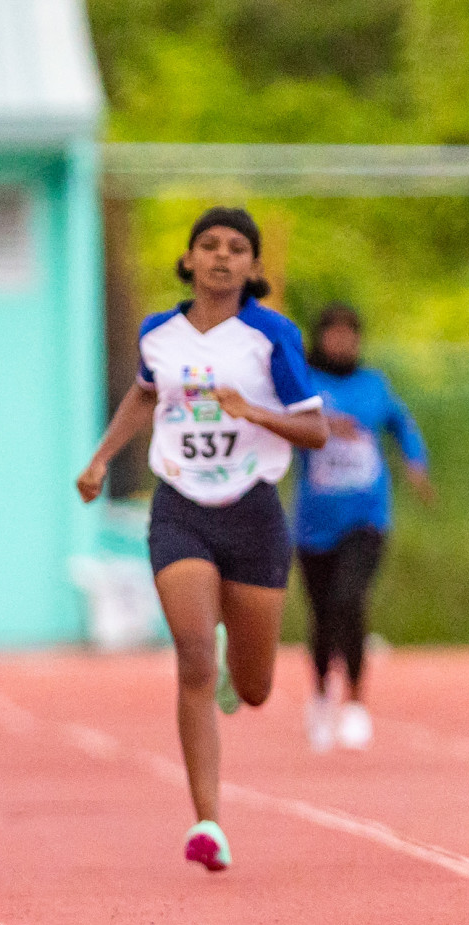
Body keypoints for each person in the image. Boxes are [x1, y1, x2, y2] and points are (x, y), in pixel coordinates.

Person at [77, 207, 327, 872]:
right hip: (180, 506)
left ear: (251, 266)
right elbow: (143, 396)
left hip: (251, 512)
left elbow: (314, 432)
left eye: (235, 248)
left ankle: (228, 676)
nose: (220, 257)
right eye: (208, 246)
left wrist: (254, 413)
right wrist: (101, 459)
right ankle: (207, 822)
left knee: (252, 688)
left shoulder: (270, 337)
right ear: (187, 260)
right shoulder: (158, 334)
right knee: (191, 653)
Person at [296, 303, 432, 752]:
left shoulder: (374, 386)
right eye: (332, 335)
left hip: (367, 516)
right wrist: (318, 425)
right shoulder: (305, 385)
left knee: (349, 599)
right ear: (320, 339)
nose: (341, 343)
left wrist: (416, 464)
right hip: (315, 523)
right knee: (322, 614)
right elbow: (280, 426)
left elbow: (402, 424)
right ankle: (320, 694)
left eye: (348, 335)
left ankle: (355, 701)